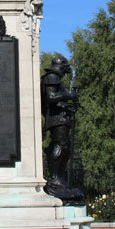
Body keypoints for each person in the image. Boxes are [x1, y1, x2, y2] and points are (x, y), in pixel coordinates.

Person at [41, 54, 84, 205]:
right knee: (60, 145)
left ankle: (59, 179)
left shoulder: (55, 79)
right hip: (56, 119)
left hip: (61, 118)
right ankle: (54, 179)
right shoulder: (51, 77)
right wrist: (68, 95)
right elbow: (51, 96)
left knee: (64, 147)